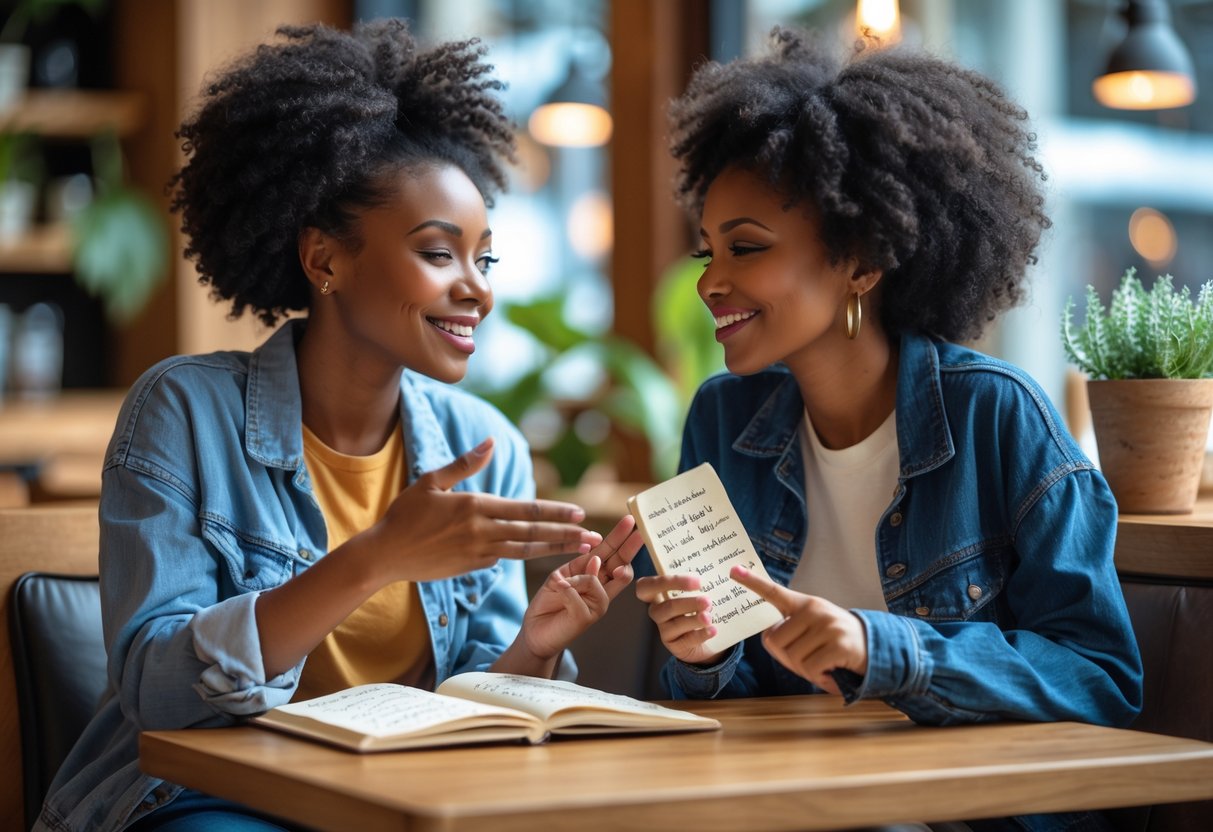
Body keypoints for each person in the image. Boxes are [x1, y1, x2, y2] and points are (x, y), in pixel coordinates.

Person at [37, 20, 641, 832]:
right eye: (439, 254)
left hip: (402, 801)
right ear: (325, 260)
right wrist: (375, 558)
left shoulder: (480, 444)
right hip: (209, 801)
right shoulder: (183, 411)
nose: (477, 291)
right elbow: (160, 695)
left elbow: (468, 712)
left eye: (483, 259)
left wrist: (535, 646)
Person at [634, 28, 1142, 832]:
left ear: (862, 261)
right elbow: (719, 709)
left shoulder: (995, 415)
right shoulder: (722, 421)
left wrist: (883, 649)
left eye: (745, 248)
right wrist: (703, 658)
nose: (710, 281)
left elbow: (1100, 680)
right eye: (708, 251)